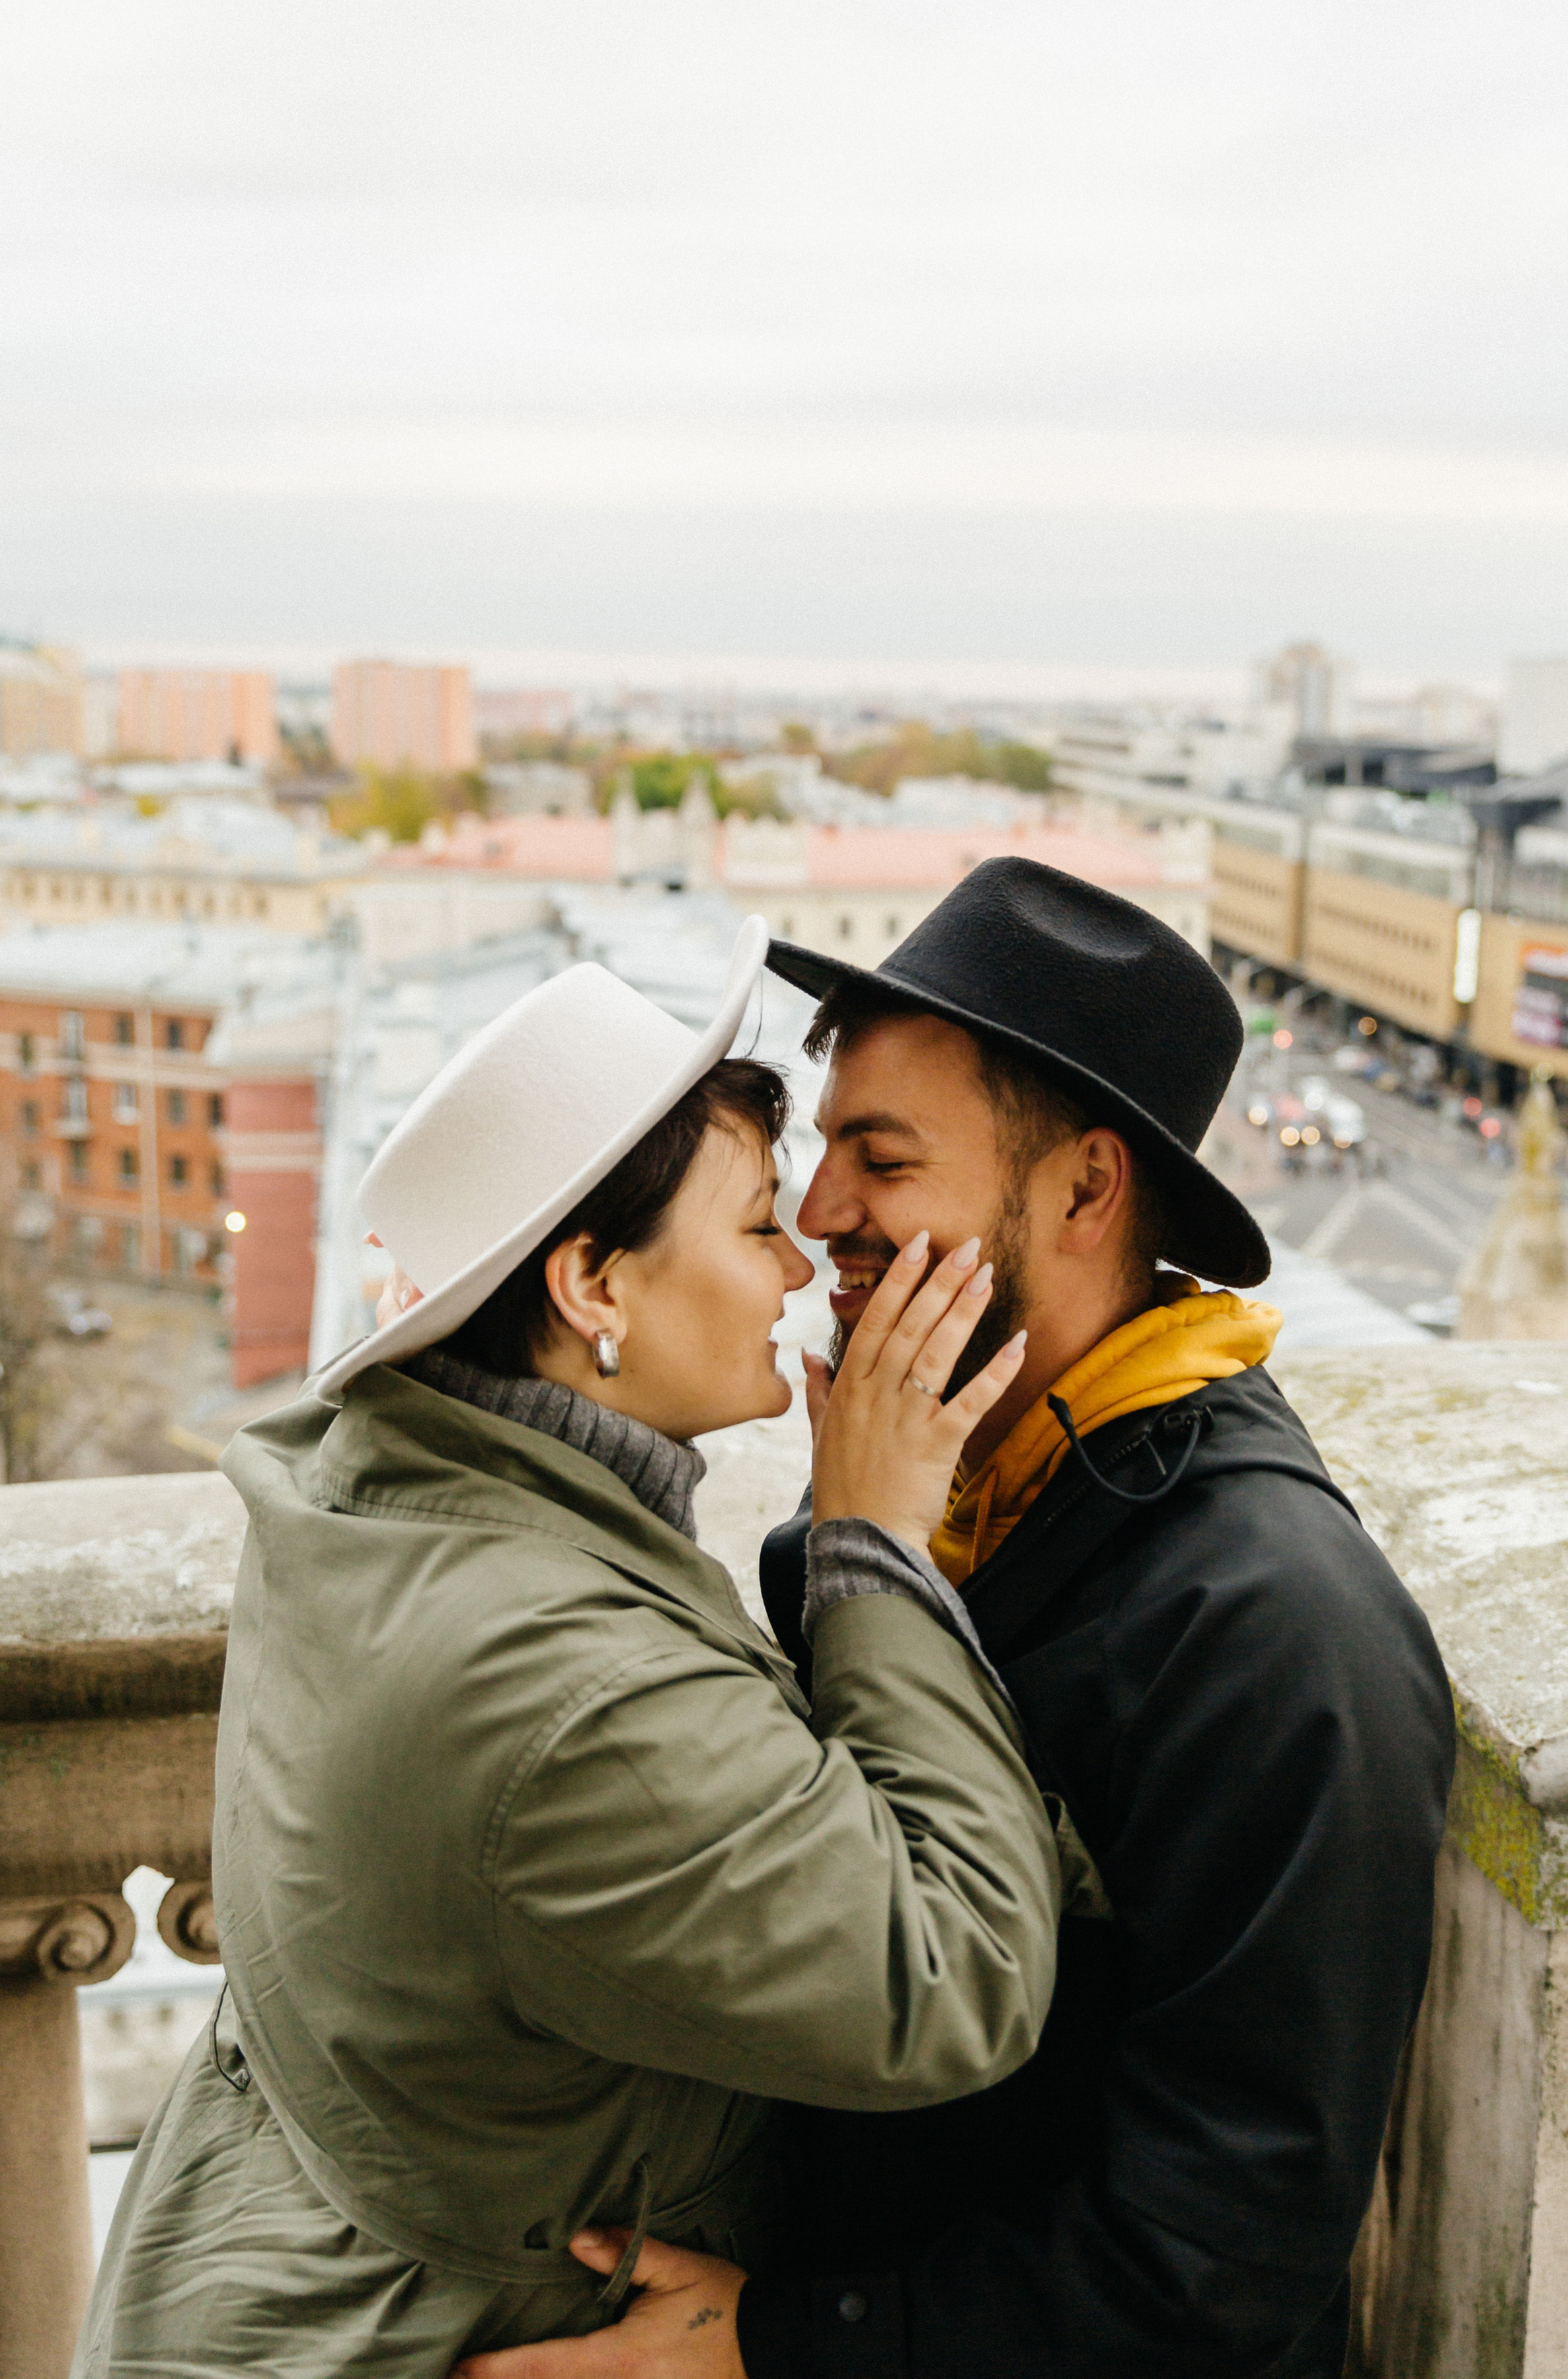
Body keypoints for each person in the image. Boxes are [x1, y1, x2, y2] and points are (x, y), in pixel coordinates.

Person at [463, 860, 1456, 2379]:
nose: (815, 1212)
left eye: (882, 1157)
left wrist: (781, 2345)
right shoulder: (899, 1503)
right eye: (819, 1150)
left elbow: (1222, 2256)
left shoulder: (1275, 1634)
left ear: (1080, 1191)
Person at [72, 916, 1064, 2377]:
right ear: (591, 1285)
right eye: (750, 1226)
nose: (798, 1271)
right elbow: (953, 1978)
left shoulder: (375, 1486)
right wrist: (872, 1547)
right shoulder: (558, 1685)